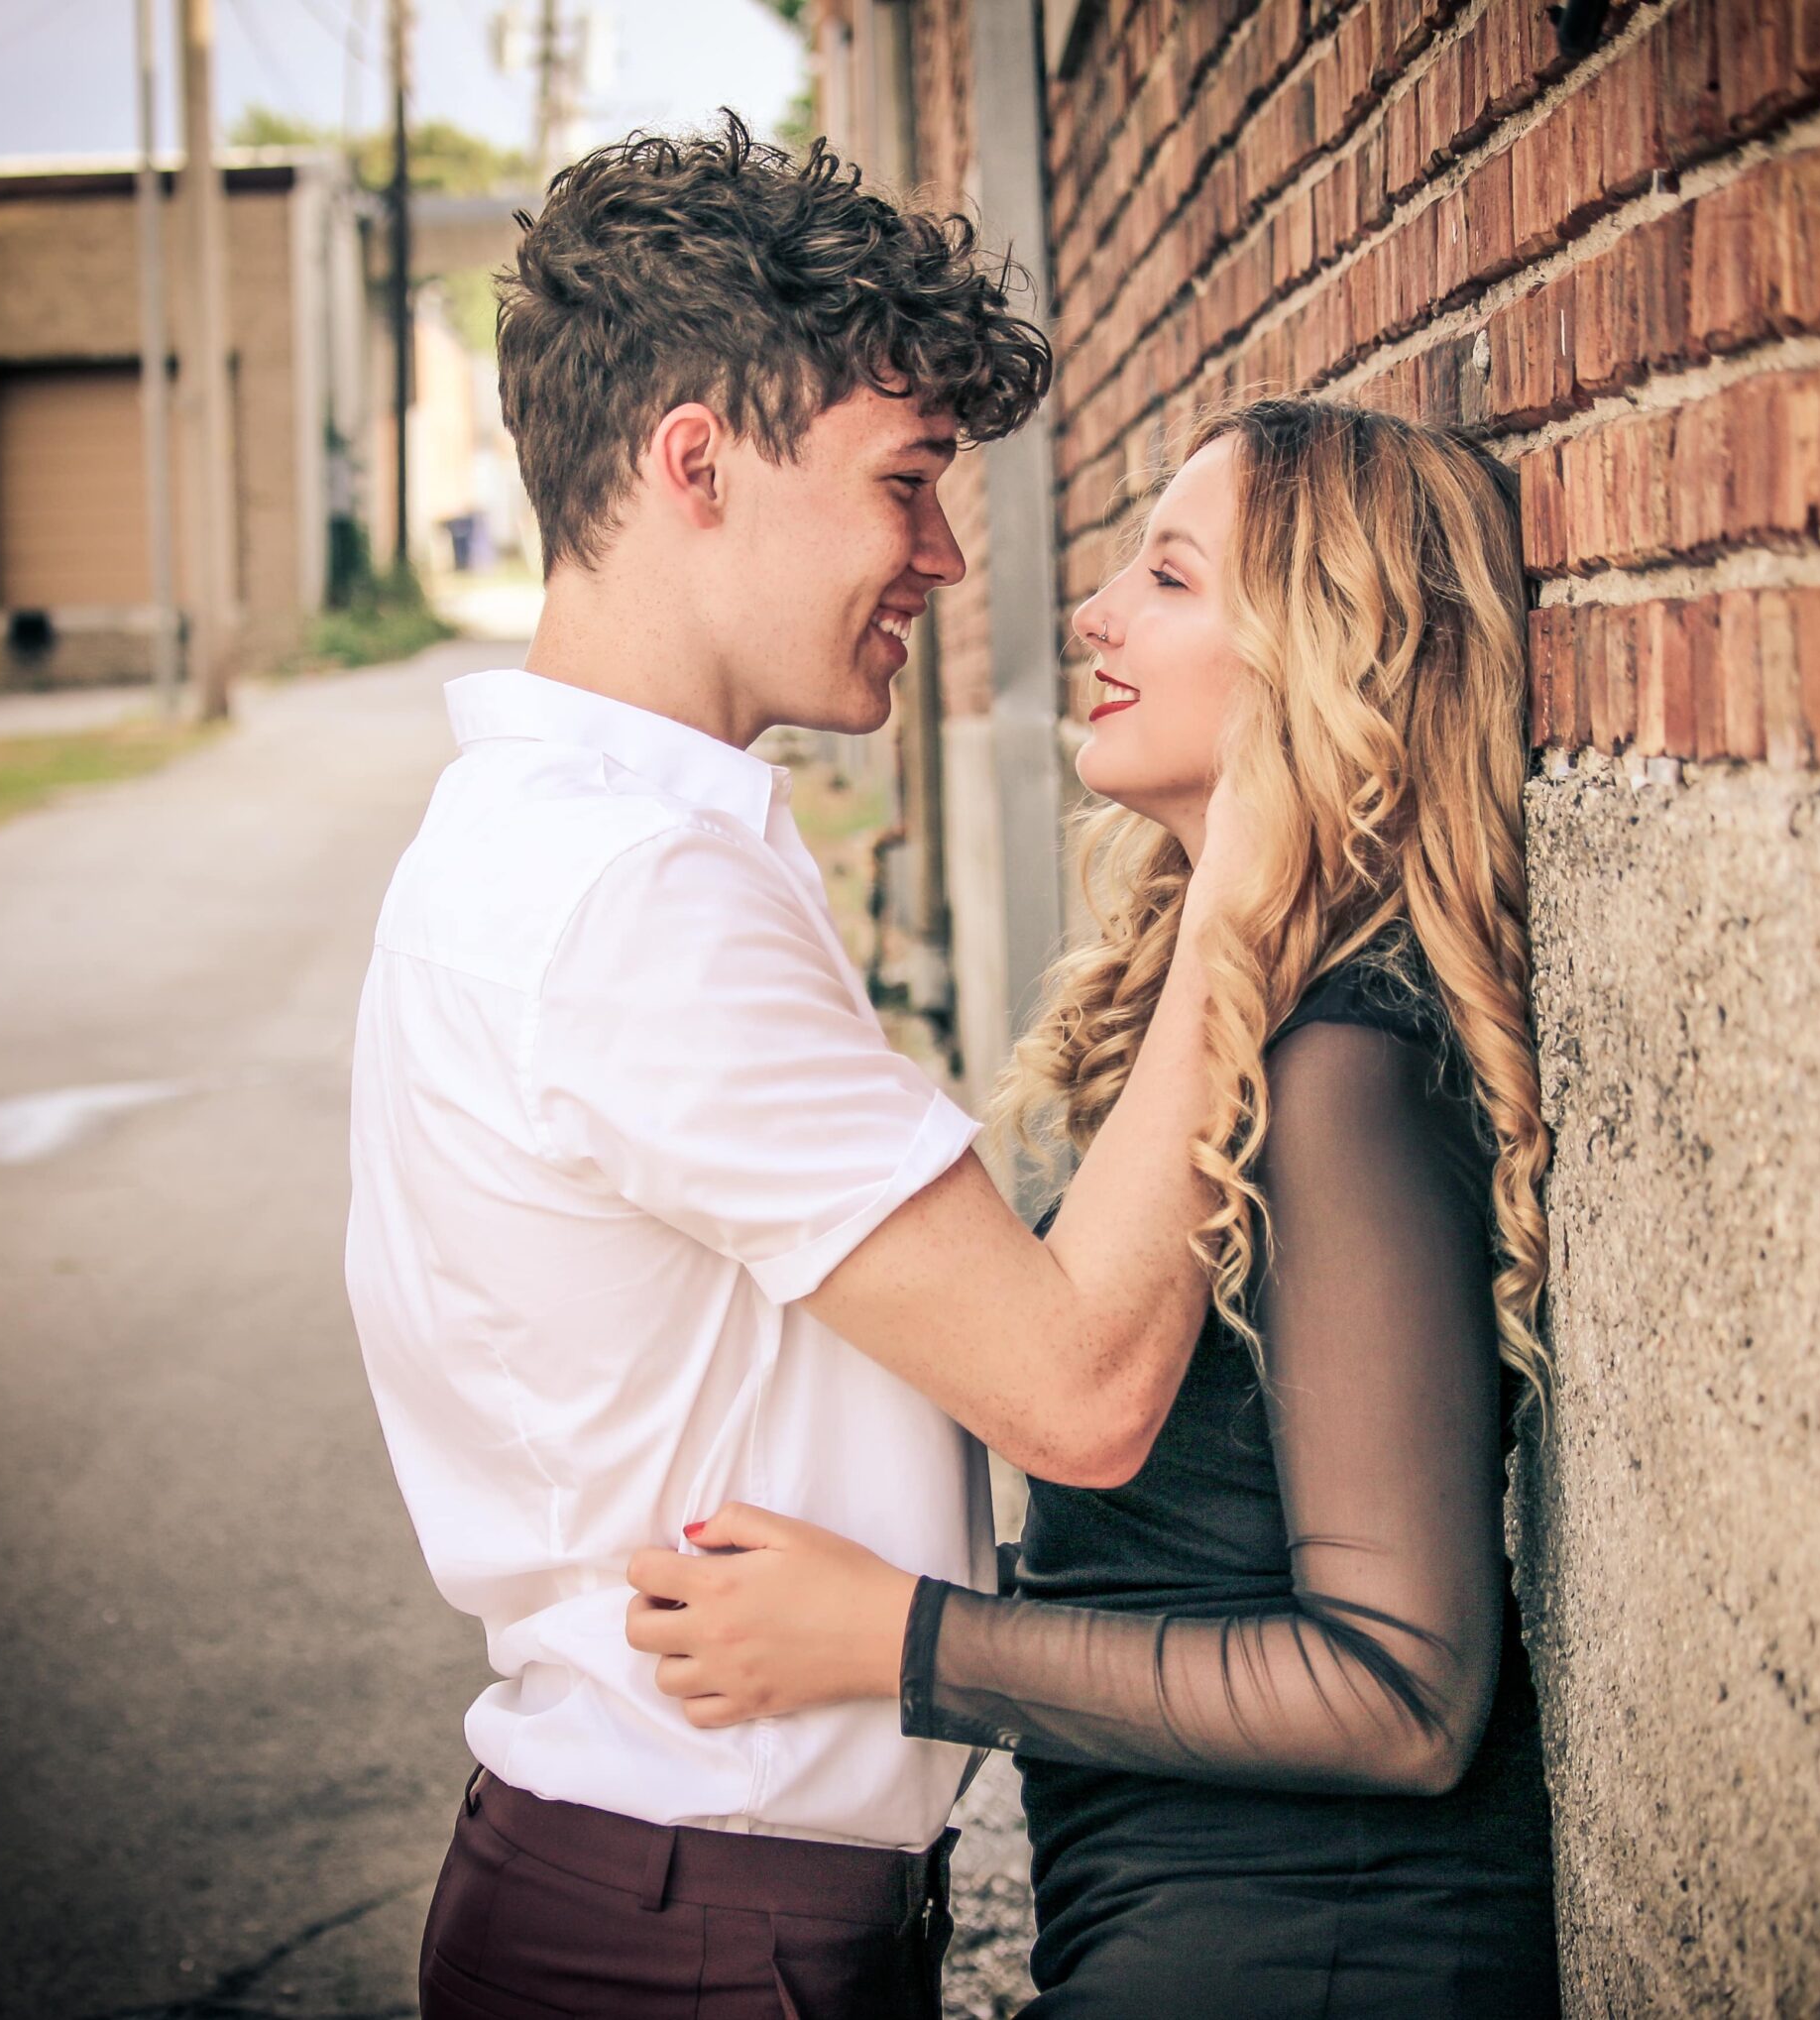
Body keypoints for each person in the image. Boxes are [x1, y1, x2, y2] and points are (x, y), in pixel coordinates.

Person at [344, 115, 1239, 2020]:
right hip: (694, 1938)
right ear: (697, 464)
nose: (943, 556)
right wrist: (1259, 854)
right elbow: (1077, 1389)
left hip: (655, 1889)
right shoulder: (635, 896)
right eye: (906, 481)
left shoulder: (549, 839)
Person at [627, 395, 1564, 2017]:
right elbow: (1189, 1556)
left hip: (1323, 1949)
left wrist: (903, 1639)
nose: (1094, 613)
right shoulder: (1249, 1025)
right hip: (1198, 1922)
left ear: (1322, 659)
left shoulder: (1339, 1067)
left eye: (1172, 578)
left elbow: (1403, 1690)